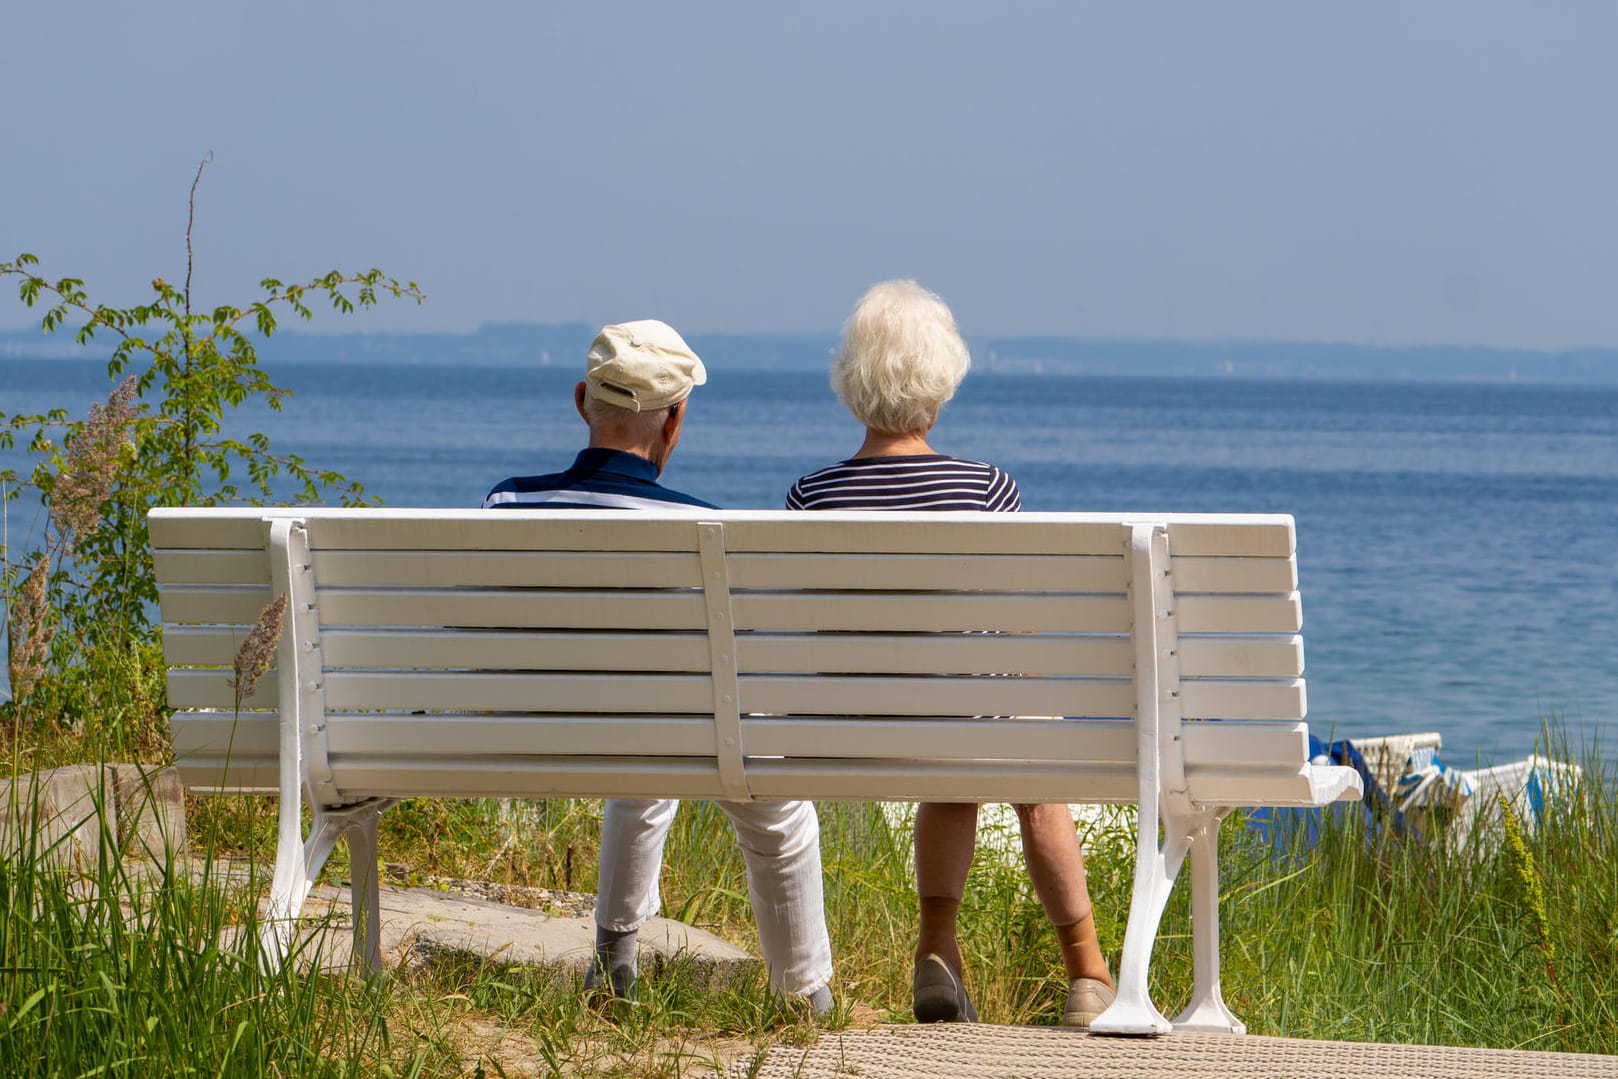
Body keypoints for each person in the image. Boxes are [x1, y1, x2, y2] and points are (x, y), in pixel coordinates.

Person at [786, 281, 1115, 1027]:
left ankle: (938, 948)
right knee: (1017, 744)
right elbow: (1012, 623)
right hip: (961, 725)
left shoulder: (811, 496)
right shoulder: (988, 489)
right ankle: (1089, 973)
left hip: (854, 732)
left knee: (955, 739)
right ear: (938, 390)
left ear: (852, 388)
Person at [484, 319, 834, 1014]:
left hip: (520, 741)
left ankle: (614, 959)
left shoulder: (508, 503)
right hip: (656, 733)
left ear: (583, 400)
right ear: (673, 423)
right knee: (773, 803)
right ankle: (804, 995)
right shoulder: (707, 530)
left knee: (643, 741)